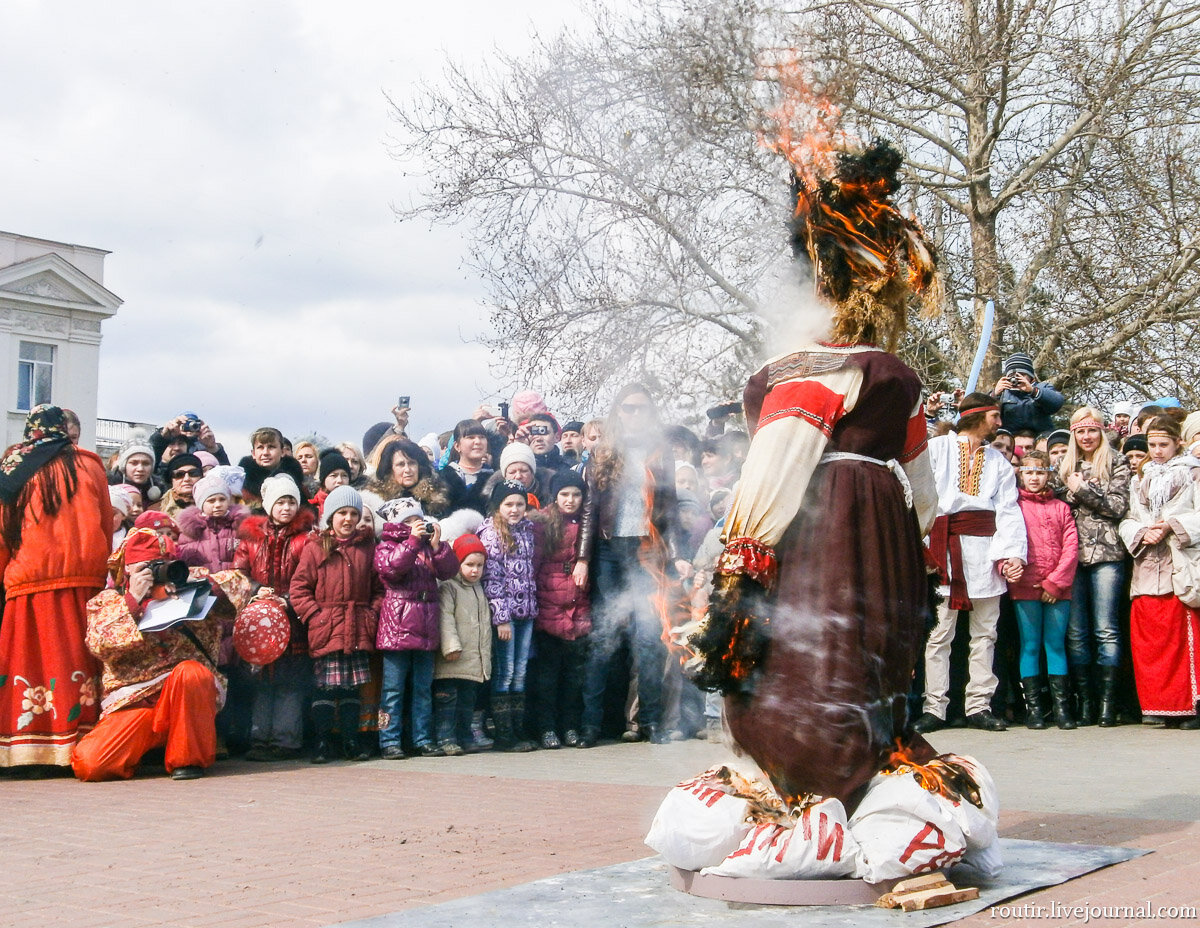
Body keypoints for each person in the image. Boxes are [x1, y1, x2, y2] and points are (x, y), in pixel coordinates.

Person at [0, 405, 113, 769]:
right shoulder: (90, 463)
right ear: (64, 429)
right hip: (85, 579)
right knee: (79, 660)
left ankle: (24, 749)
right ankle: (80, 743)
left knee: (30, 662)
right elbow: (106, 523)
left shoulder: (12, 467)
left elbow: (4, 531)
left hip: (29, 581)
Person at [578, 384, 685, 748]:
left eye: (640, 408)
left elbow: (669, 507)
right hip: (609, 548)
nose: (633, 414)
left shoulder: (660, 451)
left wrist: (675, 552)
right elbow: (590, 508)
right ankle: (591, 725)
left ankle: (651, 723)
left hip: (647, 549)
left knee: (648, 638)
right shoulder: (604, 451)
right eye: (627, 408)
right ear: (617, 412)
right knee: (604, 636)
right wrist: (582, 557)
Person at [71, 528, 225, 781]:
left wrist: (203, 586)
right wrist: (133, 600)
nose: (154, 573)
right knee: (90, 764)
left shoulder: (184, 587)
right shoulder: (107, 601)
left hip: (185, 696)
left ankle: (188, 760)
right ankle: (151, 745)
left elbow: (236, 588)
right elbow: (99, 644)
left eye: (159, 566)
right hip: (136, 702)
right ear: (127, 570)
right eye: (145, 567)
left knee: (192, 673)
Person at [915, 392, 1028, 734]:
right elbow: (920, 496)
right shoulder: (937, 449)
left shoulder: (998, 462)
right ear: (979, 416)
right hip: (942, 550)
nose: (1000, 423)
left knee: (985, 633)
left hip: (985, 551)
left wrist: (1012, 554)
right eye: (995, 416)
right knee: (939, 635)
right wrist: (921, 544)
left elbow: (1008, 510)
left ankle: (979, 706)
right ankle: (935, 707)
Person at [289, 485, 383, 762]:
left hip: (357, 626)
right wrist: (315, 616)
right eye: (342, 512)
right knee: (326, 689)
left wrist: (372, 613)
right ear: (331, 516)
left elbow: (378, 588)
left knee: (352, 688)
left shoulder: (367, 547)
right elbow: (299, 588)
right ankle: (322, 741)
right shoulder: (316, 548)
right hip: (327, 628)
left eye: (353, 513)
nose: (348, 519)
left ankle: (350, 740)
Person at [1119, 417, 1200, 729]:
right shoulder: (1140, 478)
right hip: (1146, 566)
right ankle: (1157, 705)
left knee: (1182, 640)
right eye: (1152, 445)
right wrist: (1142, 531)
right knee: (1150, 643)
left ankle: (1188, 706)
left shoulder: (1192, 474)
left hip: (1179, 565)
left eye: (1163, 445)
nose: (1156, 451)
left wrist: (1171, 526)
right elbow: (1126, 517)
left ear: (1177, 442)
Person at [1057, 406, 1132, 726]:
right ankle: (1085, 702)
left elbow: (1117, 506)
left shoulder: (1117, 460)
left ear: (1102, 431)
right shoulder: (1064, 464)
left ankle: (1106, 703)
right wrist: (1073, 490)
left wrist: (1081, 489)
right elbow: (1056, 503)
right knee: (1075, 633)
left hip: (1107, 555)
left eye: (1091, 430)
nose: (1086, 437)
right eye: (1080, 431)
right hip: (1071, 555)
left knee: (1106, 630)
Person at [234, 475, 317, 761]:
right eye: (280, 502)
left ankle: (286, 739)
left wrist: (289, 601)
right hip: (260, 623)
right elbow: (239, 573)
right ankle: (259, 738)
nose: (286, 507)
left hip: (293, 622)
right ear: (269, 505)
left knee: (289, 684)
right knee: (261, 684)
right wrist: (257, 591)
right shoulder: (251, 538)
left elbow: (312, 578)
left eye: (291, 501)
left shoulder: (306, 539)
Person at [374, 498, 460, 759]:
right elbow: (391, 570)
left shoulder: (428, 547)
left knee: (423, 688)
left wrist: (439, 547)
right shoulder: (386, 545)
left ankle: (422, 738)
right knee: (392, 690)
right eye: (409, 520)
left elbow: (448, 571)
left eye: (418, 519)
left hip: (425, 624)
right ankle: (388, 740)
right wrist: (412, 541)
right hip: (397, 625)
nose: (416, 525)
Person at [1010, 451, 1079, 729]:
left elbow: (1071, 546)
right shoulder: (1014, 506)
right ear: (1021, 475)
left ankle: (1062, 709)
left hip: (1057, 588)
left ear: (1048, 475)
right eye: (1029, 472)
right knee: (1029, 645)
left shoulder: (1061, 508)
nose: (1034, 478)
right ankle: (1035, 709)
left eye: (1040, 472)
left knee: (1055, 644)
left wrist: (1055, 582)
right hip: (1025, 586)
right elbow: (1008, 540)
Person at [530, 470, 592, 749]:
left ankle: (570, 726)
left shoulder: (588, 524)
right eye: (564, 494)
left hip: (579, 604)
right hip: (549, 604)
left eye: (576, 494)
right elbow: (534, 565)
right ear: (555, 496)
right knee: (547, 675)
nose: (570, 500)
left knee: (574, 677)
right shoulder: (543, 523)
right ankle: (546, 727)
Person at [480, 481, 540, 752]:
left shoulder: (528, 530)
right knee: (505, 673)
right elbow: (492, 578)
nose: (515, 509)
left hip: (526, 611)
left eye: (519, 504)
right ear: (498, 506)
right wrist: (501, 617)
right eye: (509, 504)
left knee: (521, 672)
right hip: (506, 616)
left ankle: (517, 730)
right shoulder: (492, 532)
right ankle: (504, 735)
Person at [433, 534, 493, 754]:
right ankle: (445, 737)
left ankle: (465, 735)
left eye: (479, 565)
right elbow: (445, 618)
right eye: (469, 565)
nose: (475, 570)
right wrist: (450, 646)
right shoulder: (449, 587)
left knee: (467, 703)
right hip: (452, 659)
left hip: (472, 662)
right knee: (447, 702)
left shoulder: (479, 589)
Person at [368, 438, 452, 517]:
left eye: (412, 463)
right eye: (401, 464)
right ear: (390, 469)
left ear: (419, 467)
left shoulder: (438, 498)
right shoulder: (377, 500)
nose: (407, 469)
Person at [993, 352, 1065, 434]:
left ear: (1031, 378)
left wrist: (1033, 391)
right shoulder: (1003, 394)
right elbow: (984, 415)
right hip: (1010, 440)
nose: (1016, 379)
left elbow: (1057, 402)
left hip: (1039, 439)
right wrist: (994, 395)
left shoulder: (1042, 388)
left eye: (1022, 375)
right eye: (1012, 375)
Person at [440, 419, 494, 514]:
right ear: (457, 446)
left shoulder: (494, 478)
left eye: (482, 437)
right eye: (470, 437)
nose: (477, 441)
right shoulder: (442, 478)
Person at [109, 438, 162, 507]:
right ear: (123, 465)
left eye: (146, 463)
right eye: (134, 463)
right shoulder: (109, 487)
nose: (140, 469)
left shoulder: (160, 489)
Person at [155, 454, 204, 518]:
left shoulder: (213, 504)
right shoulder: (156, 510)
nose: (187, 479)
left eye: (193, 473)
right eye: (179, 474)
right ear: (172, 481)